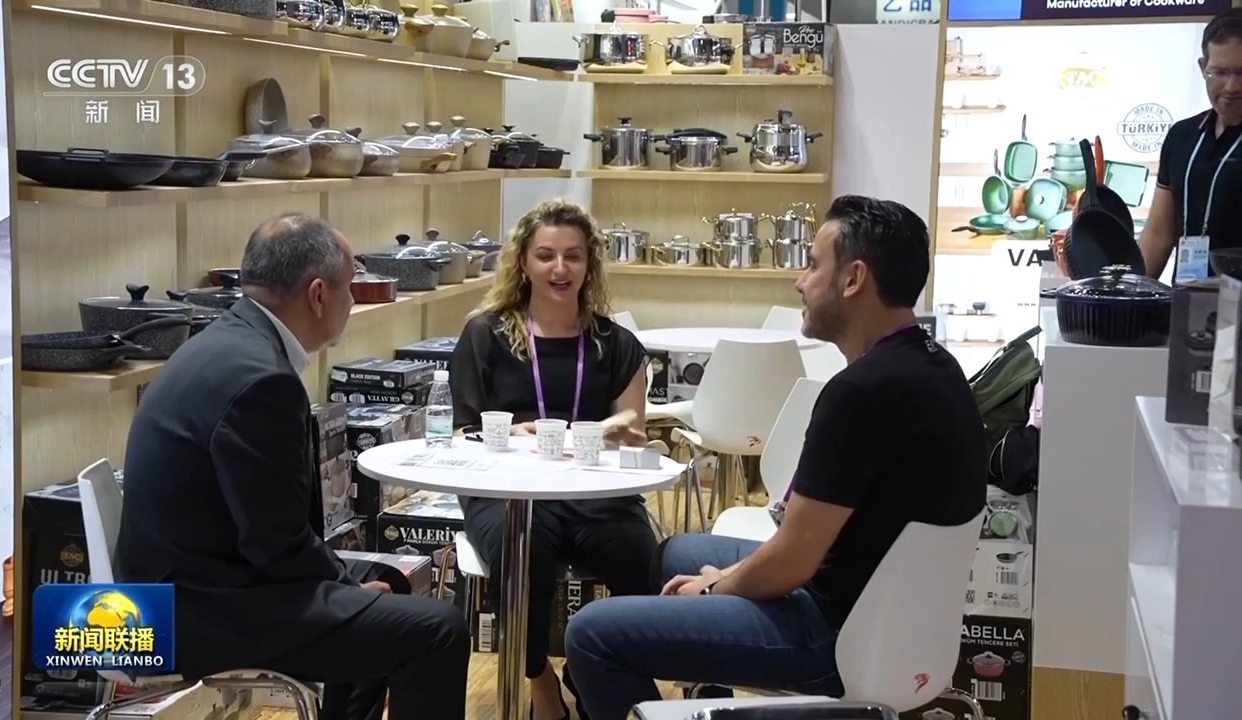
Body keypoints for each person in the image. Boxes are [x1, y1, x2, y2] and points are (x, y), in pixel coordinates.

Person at [562, 195, 988, 720]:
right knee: (675, 554)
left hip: (840, 633)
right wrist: (722, 579)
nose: (798, 282)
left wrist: (716, 587)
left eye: (812, 265)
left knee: (591, 634)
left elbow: (791, 561)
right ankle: (709, 708)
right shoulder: (933, 364)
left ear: (853, 279)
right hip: (889, 608)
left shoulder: (862, 394)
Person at [114, 214, 470, 720]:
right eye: (351, 286)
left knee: (385, 582)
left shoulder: (227, 342)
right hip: (193, 613)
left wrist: (347, 590)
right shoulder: (263, 381)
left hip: (185, 583)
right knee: (437, 630)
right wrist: (345, 591)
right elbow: (275, 544)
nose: (354, 300)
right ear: (319, 294)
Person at [448, 198, 655, 720]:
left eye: (573, 256)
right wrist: (515, 434)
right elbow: (464, 432)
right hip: (508, 491)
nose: (560, 269)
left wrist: (617, 431)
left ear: (589, 264)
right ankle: (539, 679)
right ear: (523, 262)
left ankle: (596, 671)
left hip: (594, 489)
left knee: (637, 554)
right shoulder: (485, 335)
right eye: (546, 256)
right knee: (524, 553)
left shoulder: (617, 344)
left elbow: (633, 430)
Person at [1140, 9, 1242, 281]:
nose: (1232, 86)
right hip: (1188, 298)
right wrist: (1130, 296)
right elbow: (1159, 234)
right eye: (1220, 72)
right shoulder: (1182, 136)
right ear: (1203, 67)